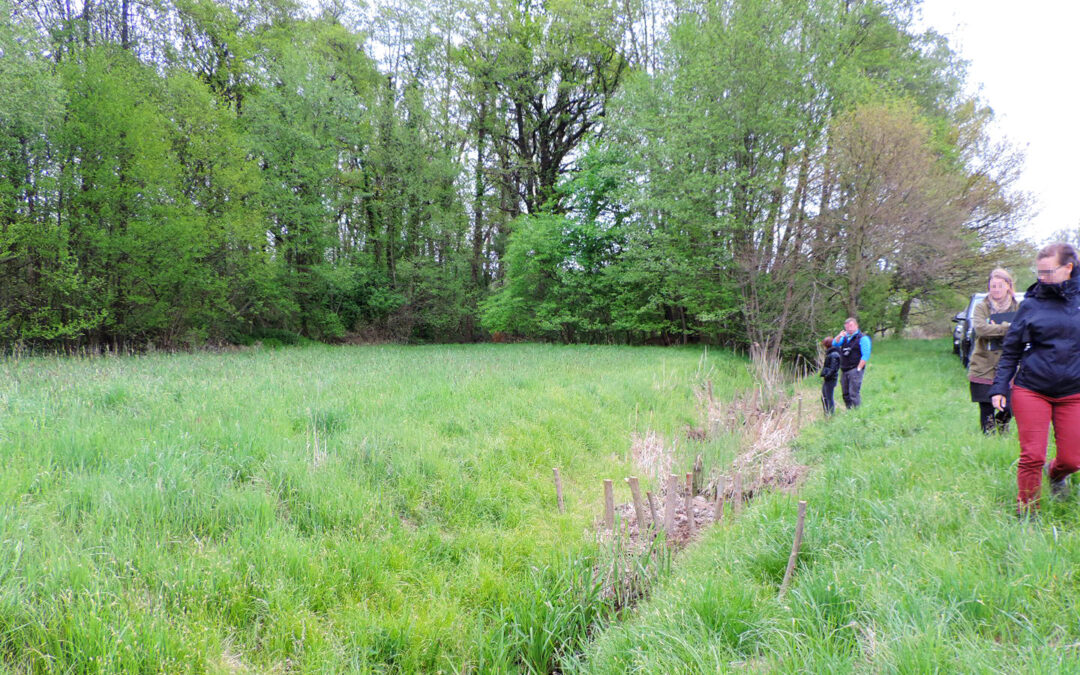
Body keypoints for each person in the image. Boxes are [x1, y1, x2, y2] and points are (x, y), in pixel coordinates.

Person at [991, 243, 1080, 514]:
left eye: (1048, 271)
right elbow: (1011, 350)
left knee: (1072, 459)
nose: (1041, 277)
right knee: (1032, 456)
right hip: (1033, 389)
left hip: (1074, 391)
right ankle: (1027, 515)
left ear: (1068, 268)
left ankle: (1055, 473)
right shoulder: (1031, 304)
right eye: (1038, 271)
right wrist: (999, 387)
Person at [968, 269, 1019, 434]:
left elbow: (1022, 329)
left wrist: (997, 329)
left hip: (1010, 365)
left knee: (1009, 407)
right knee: (986, 409)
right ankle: (988, 441)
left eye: (999, 286)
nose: (995, 289)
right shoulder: (981, 307)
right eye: (992, 286)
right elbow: (981, 329)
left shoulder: (1018, 307)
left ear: (1008, 286)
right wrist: (1007, 328)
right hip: (984, 365)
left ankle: (1002, 430)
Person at [835, 317, 871, 409]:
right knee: (845, 393)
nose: (849, 328)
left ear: (856, 326)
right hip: (844, 369)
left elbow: (865, 355)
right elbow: (835, 344)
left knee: (853, 393)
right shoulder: (845, 338)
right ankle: (849, 411)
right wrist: (839, 336)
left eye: (851, 326)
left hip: (855, 368)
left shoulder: (863, 338)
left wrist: (859, 368)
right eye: (846, 327)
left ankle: (858, 413)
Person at [819, 336, 841, 416]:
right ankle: (827, 413)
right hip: (828, 379)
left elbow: (833, 368)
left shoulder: (834, 354)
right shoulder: (830, 353)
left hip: (831, 379)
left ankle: (831, 414)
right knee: (824, 397)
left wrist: (827, 375)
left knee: (829, 397)